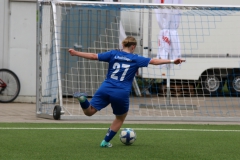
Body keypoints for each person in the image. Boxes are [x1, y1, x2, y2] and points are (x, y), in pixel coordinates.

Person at [68, 36, 185, 148]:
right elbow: (154, 61)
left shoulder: (113, 53)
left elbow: (94, 56)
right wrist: (172, 61)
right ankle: (105, 142)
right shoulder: (136, 58)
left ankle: (83, 99)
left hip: (106, 87)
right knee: (120, 118)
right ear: (133, 47)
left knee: (89, 112)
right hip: (121, 92)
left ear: (123, 44)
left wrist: (75, 53)